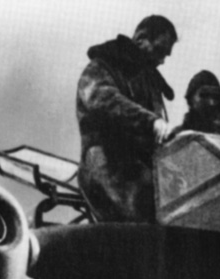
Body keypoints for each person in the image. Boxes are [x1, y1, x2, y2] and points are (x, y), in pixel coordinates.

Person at [76, 15, 178, 223]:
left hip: (145, 168)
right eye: (159, 50)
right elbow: (101, 99)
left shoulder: (150, 83)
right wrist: (152, 123)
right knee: (147, 216)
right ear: (141, 38)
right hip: (109, 161)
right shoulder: (102, 67)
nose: (161, 60)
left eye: (165, 55)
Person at [178, 69, 220, 136]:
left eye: (215, 97)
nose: (211, 102)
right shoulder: (178, 136)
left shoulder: (219, 129)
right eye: (205, 95)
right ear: (190, 101)